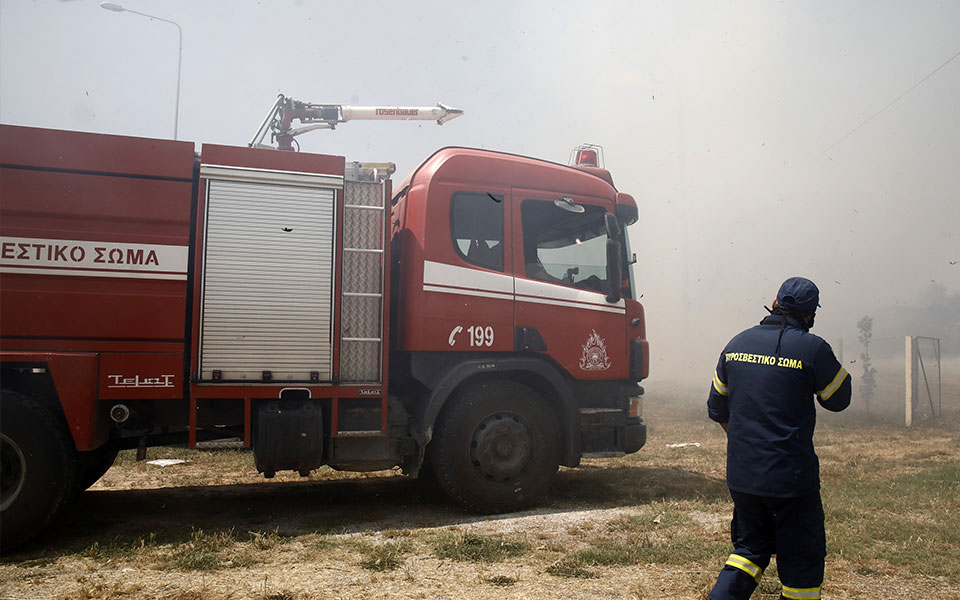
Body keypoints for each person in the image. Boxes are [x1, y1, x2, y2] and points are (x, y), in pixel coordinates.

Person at [707, 277, 851, 600]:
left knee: (748, 551)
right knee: (802, 567)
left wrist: (750, 445)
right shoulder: (812, 349)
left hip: (743, 478)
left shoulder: (736, 344)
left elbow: (718, 407)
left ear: (773, 302)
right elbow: (839, 399)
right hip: (791, 483)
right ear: (810, 316)